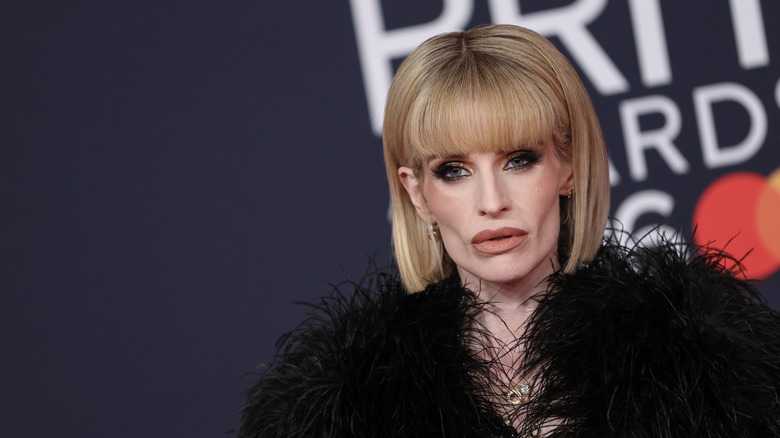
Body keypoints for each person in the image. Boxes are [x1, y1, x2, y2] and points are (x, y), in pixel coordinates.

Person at [240, 24, 780, 437]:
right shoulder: (347, 405)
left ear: (568, 166)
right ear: (417, 193)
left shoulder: (703, 365)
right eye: (454, 171)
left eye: (520, 160)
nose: (492, 202)